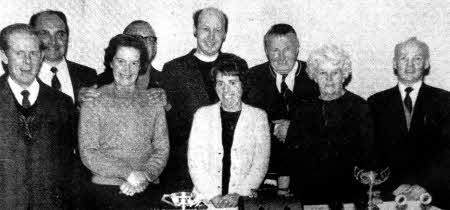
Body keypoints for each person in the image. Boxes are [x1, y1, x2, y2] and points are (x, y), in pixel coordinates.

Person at [160, 7, 248, 193]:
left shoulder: (238, 65)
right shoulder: (173, 69)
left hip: (230, 168)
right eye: (205, 29)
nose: (211, 36)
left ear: (225, 34)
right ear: (194, 30)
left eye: (217, 30)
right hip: (185, 169)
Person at [78, 34, 169, 209]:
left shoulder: (152, 100)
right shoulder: (94, 100)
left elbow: (162, 148)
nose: (127, 70)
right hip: (107, 190)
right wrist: (129, 174)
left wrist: (145, 175)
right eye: (121, 61)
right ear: (111, 62)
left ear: (141, 65)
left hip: (147, 187)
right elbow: (88, 152)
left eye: (134, 63)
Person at [281, 44, 374, 208]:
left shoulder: (359, 106)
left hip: (349, 197)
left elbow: (369, 157)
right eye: (323, 73)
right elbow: (289, 159)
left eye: (335, 73)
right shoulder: (303, 108)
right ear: (314, 76)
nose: (329, 79)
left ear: (344, 75)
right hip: (309, 197)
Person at [0, 23, 76, 209]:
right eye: (19, 53)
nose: (27, 61)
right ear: (4, 56)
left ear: (41, 56)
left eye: (33, 53)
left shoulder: (62, 104)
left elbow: (69, 169)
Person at [368, 37, 450, 208]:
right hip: (390, 194)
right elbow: (372, 152)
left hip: (434, 195)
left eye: (417, 59)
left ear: (426, 64)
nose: (410, 65)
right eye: (404, 58)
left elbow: (446, 152)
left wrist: (425, 185)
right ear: (394, 63)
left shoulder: (444, 101)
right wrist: (394, 185)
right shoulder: (375, 103)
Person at [188, 56, 270, 209]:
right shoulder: (202, 115)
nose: (226, 90)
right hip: (206, 200)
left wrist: (239, 194)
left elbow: (260, 164)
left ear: (243, 85)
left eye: (232, 83)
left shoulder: (258, 117)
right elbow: (195, 162)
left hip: (243, 200)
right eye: (220, 83)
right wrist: (213, 195)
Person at [244, 23, 319, 181]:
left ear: (297, 47)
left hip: (309, 172)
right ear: (266, 51)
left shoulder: (316, 77)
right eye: (275, 51)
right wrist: (274, 127)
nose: (282, 57)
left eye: (287, 49)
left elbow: (327, 124)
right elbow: (243, 125)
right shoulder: (252, 78)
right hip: (265, 175)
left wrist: (295, 130)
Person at [29, 9, 97, 105]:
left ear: (67, 38)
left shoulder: (87, 75)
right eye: (44, 34)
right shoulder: (24, 76)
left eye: (60, 34)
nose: (53, 41)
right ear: (32, 38)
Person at [96, 20, 162, 89]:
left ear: (155, 46)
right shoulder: (98, 84)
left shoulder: (167, 82)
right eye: (137, 38)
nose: (144, 44)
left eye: (150, 39)